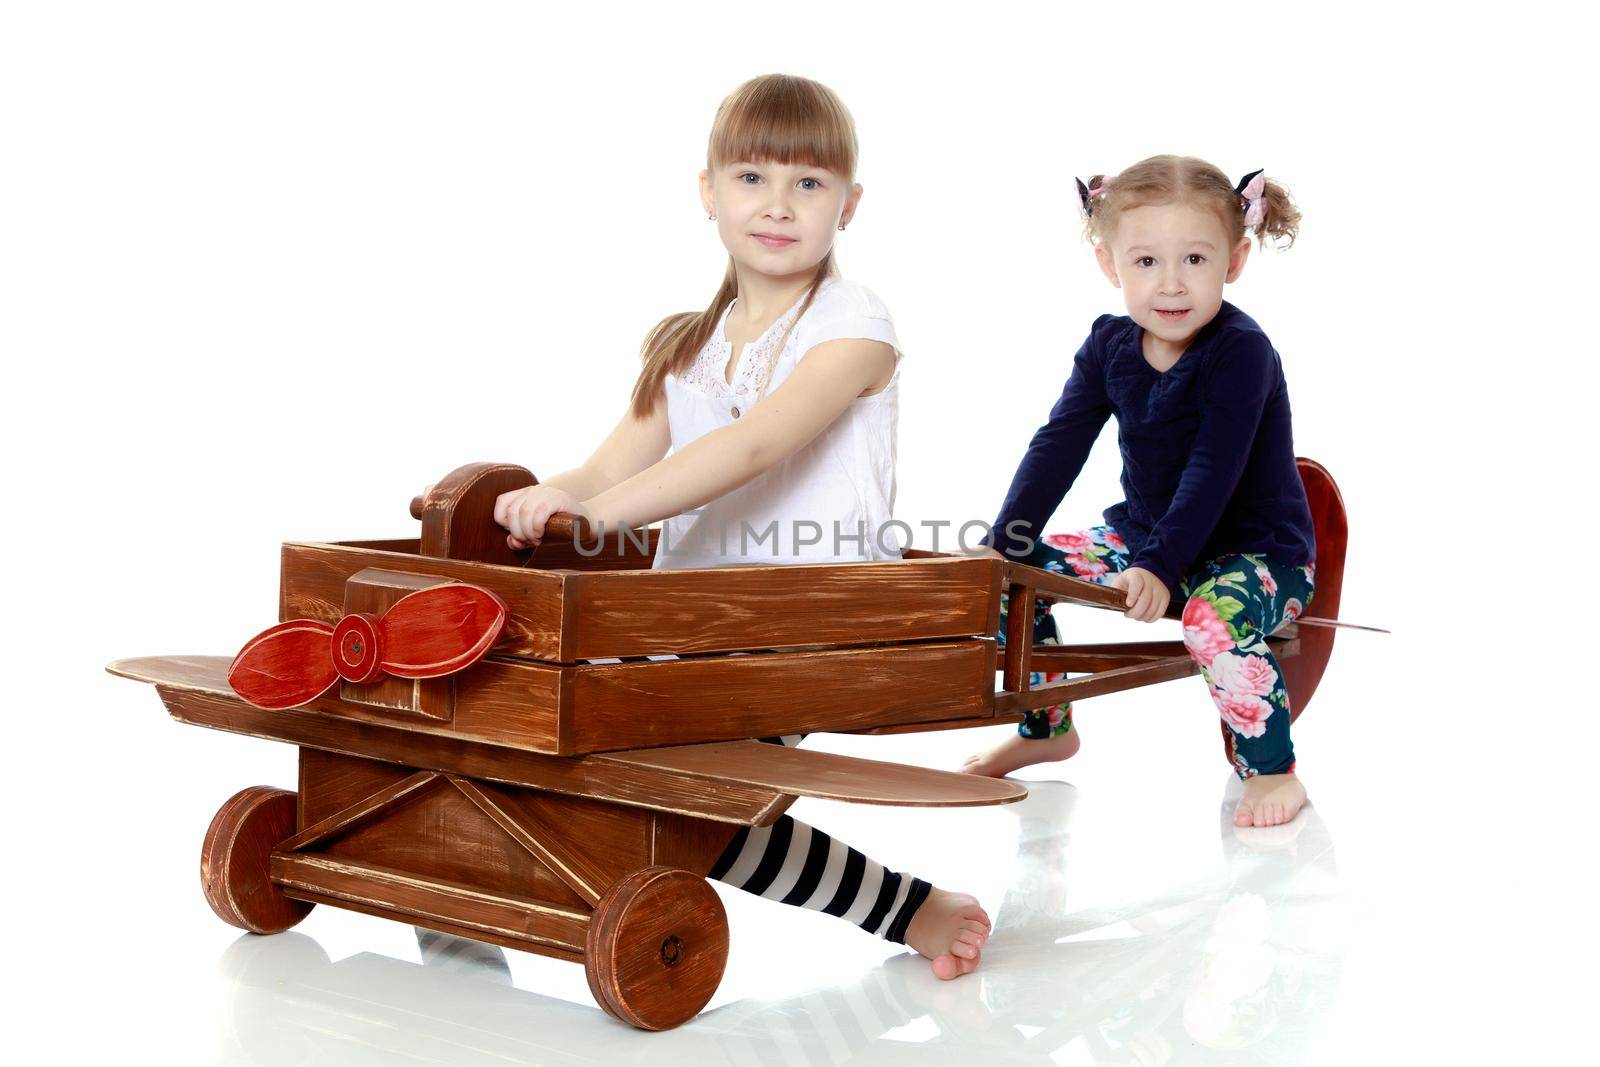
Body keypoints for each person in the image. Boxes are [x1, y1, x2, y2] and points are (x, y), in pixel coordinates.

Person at [491, 74, 989, 978]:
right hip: (687, 623)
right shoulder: (688, 344)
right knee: (554, 733)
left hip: (805, 620)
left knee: (690, 799)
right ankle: (481, 877)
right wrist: (537, 501)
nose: (778, 205)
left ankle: (906, 907)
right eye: (752, 177)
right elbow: (606, 469)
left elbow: (757, 443)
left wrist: (599, 517)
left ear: (850, 204)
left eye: (809, 183)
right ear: (709, 192)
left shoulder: (853, 324)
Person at [964, 155, 1318, 830]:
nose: (1172, 283)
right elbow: (1058, 443)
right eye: (1147, 262)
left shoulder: (1241, 350)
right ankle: (1047, 728)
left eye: (1194, 258)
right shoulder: (1109, 346)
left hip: (1256, 555)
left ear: (1235, 260)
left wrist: (1159, 563)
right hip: (1148, 539)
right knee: (1012, 571)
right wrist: (1005, 536)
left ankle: (1272, 768)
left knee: (1211, 619)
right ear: (1110, 266)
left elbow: (1214, 467)